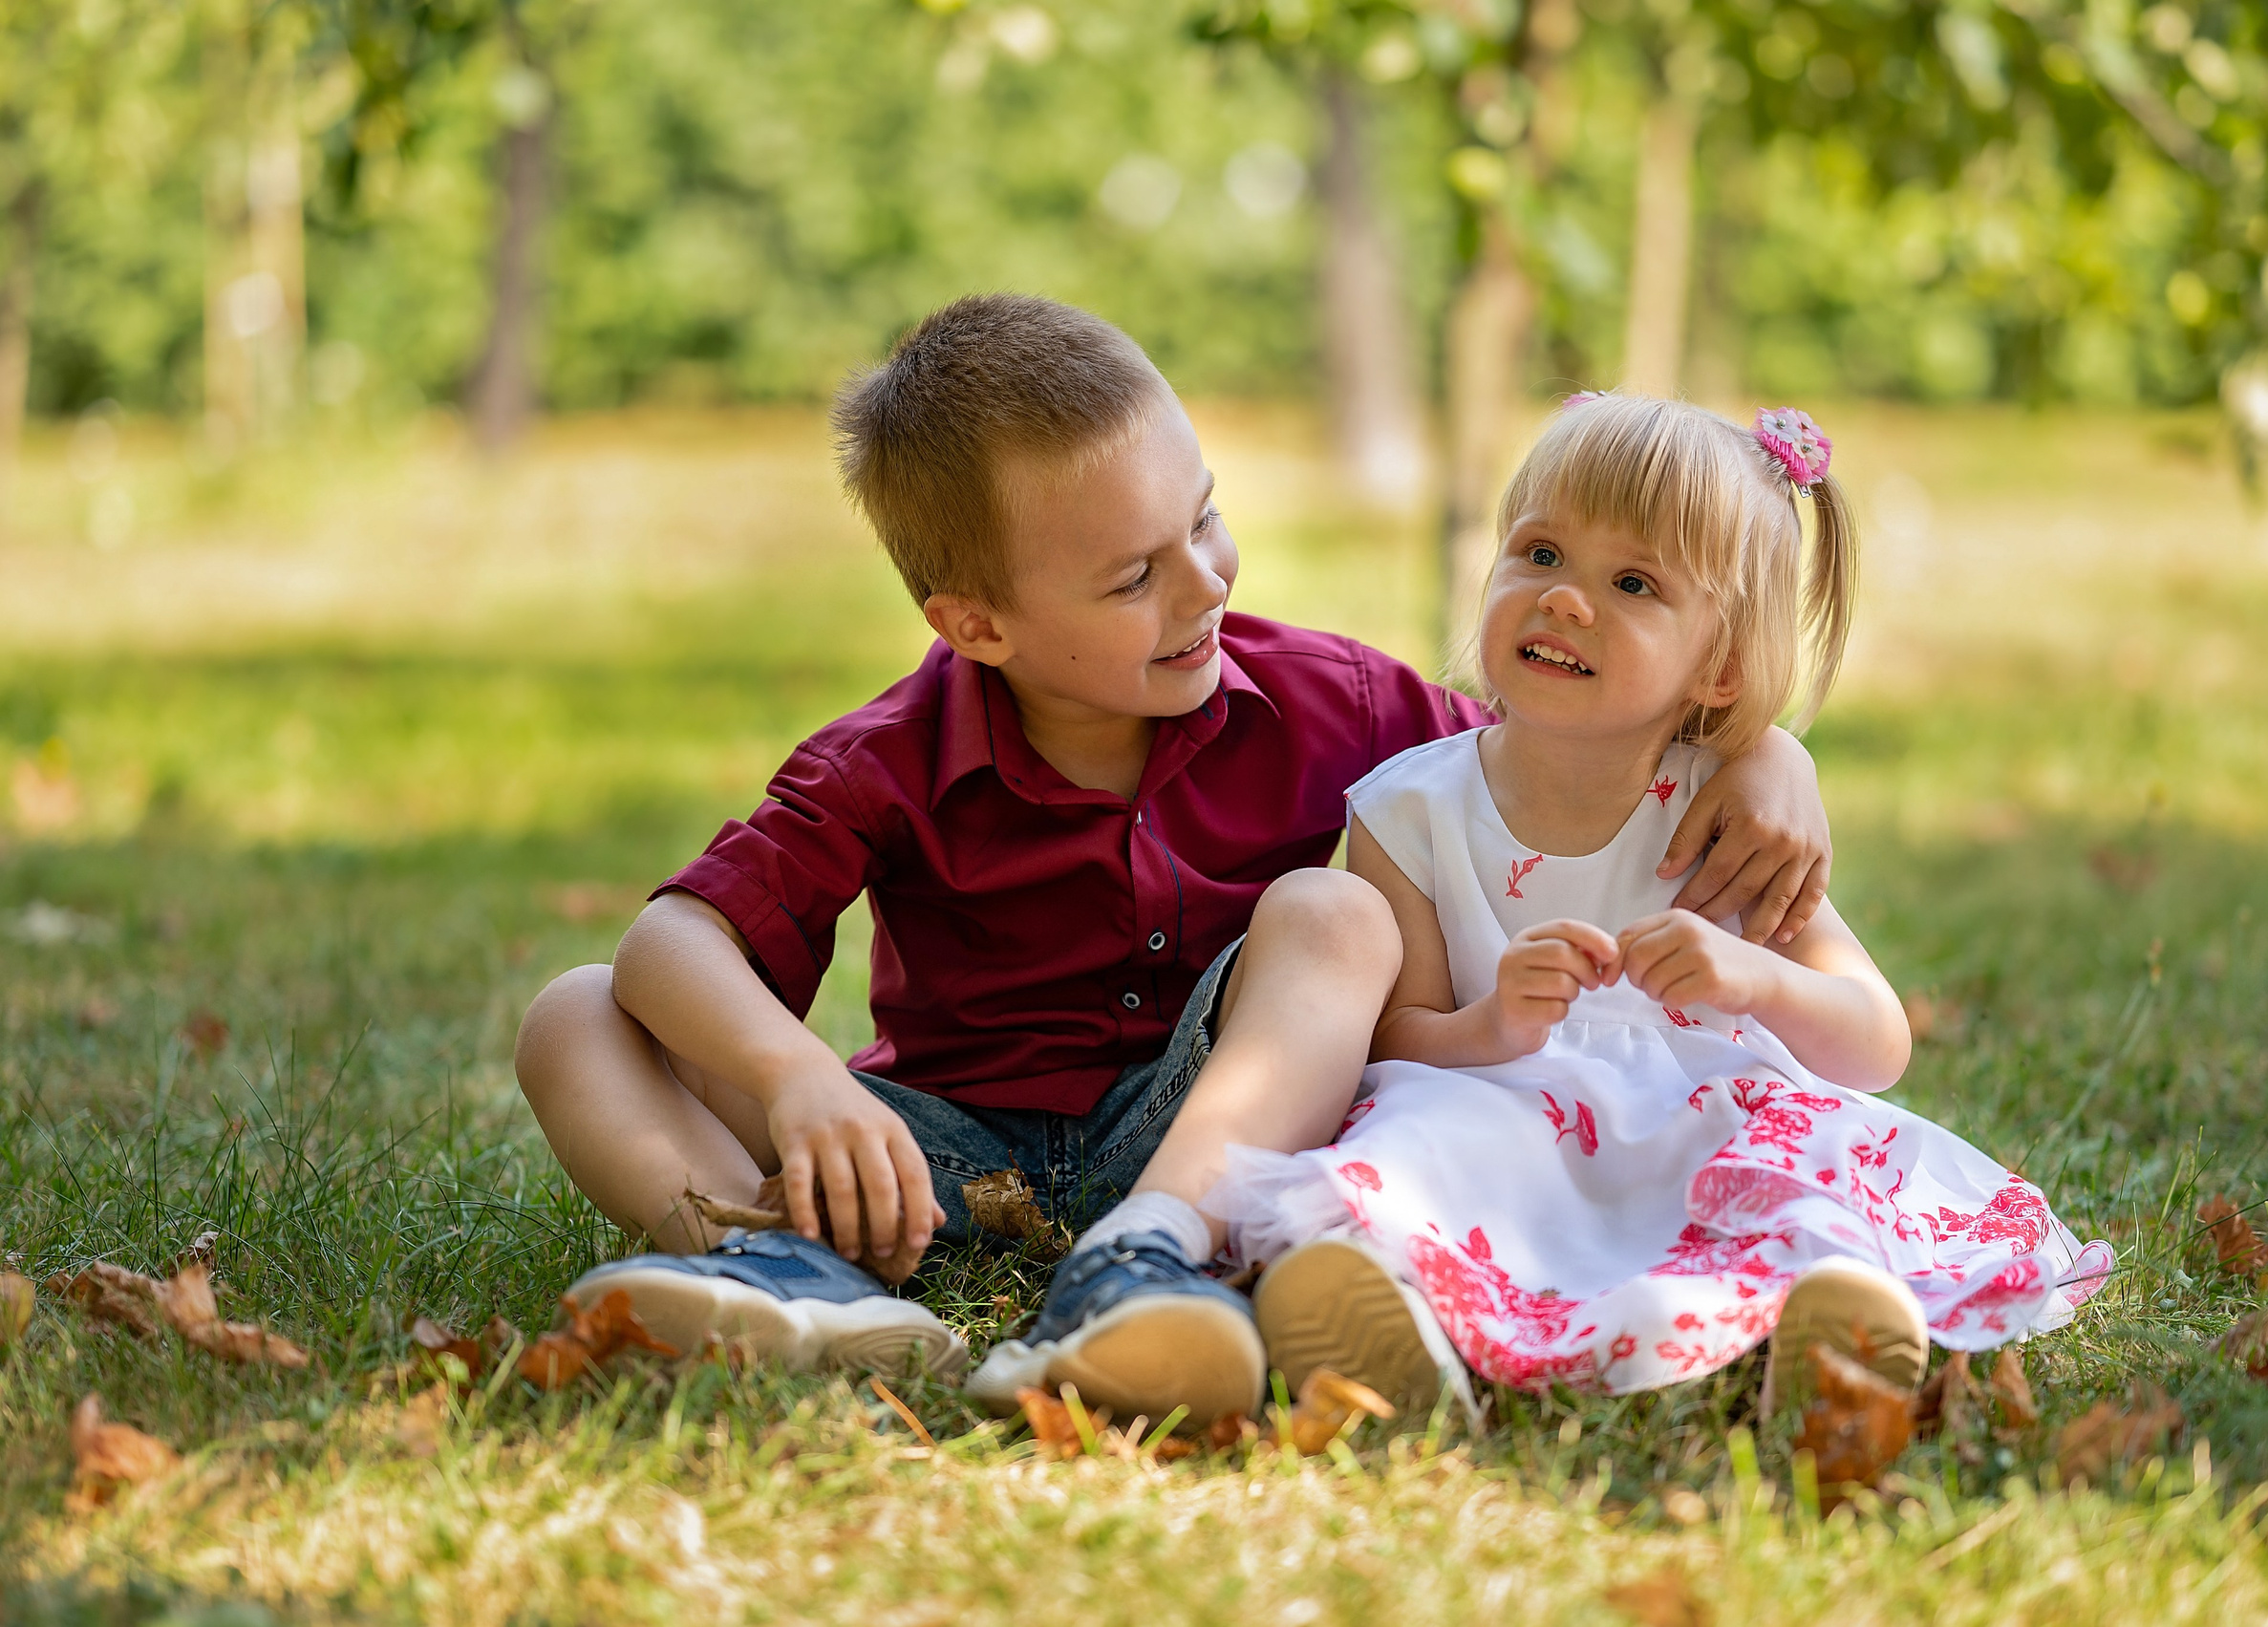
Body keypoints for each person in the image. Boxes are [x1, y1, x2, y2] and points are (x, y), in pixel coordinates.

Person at [512, 296, 1837, 1425]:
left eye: (1204, 522)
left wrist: (1761, 749)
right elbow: (671, 940)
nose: (1206, 586)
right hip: (943, 1153)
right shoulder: (887, 757)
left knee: (1328, 910)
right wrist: (795, 1076)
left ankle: (1147, 1261)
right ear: (975, 621)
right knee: (576, 1013)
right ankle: (785, 1273)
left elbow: (1570, 733)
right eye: (1135, 573)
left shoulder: (1342, 702)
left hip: (1216, 1125)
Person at [1211, 395, 2113, 1413]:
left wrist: (1756, 975)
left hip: (1706, 1121)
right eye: (1539, 552)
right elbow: (1391, 1041)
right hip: (1503, 1107)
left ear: (1719, 668)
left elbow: (1875, 1042)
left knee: (1794, 1164)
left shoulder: (1724, 810)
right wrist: (1494, 1021)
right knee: (1409, 1140)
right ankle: (1384, 1314)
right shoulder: (1410, 805)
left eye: (1632, 581)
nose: (1563, 600)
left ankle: (1830, 1319)